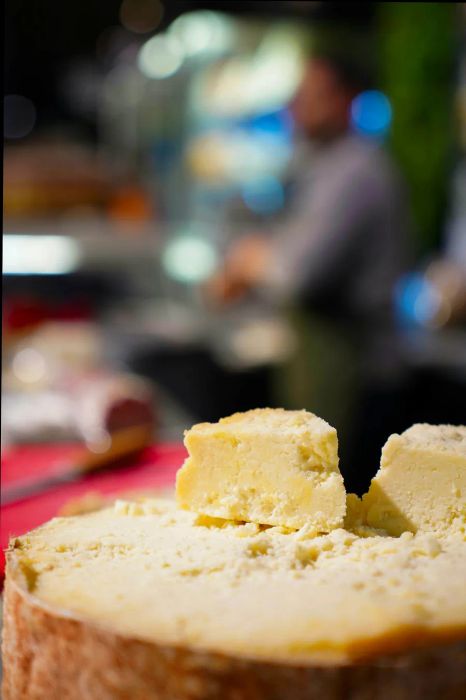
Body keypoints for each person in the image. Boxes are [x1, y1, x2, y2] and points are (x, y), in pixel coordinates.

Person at [209, 52, 413, 493]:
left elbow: (301, 273)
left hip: (360, 378)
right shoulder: (323, 166)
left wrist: (248, 259)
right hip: (327, 367)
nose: (298, 106)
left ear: (345, 99)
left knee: (344, 509)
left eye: (312, 95)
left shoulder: (357, 171)